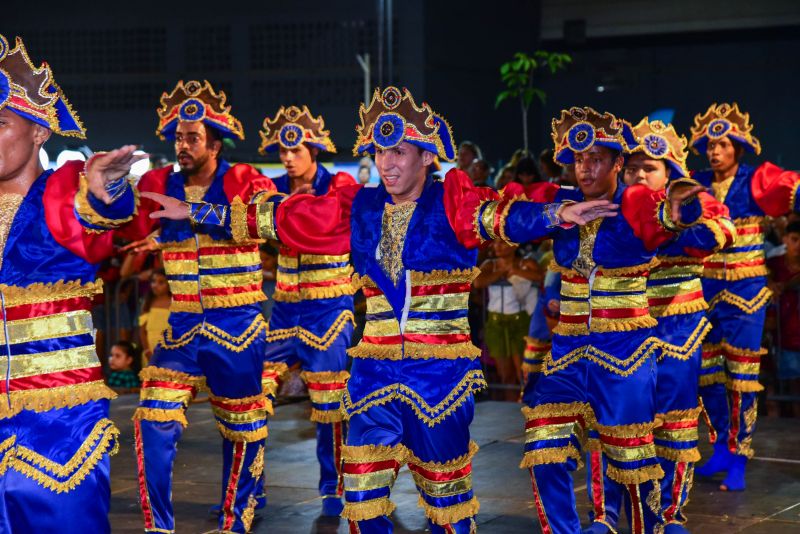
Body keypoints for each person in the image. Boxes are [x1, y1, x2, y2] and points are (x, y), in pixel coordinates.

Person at [143, 86, 617, 534]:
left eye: (398, 152)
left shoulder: (451, 200)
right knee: (363, 496)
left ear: (427, 156)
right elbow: (289, 217)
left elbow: (499, 215)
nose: (386, 164)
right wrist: (201, 212)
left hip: (440, 379)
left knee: (446, 504)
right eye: (379, 152)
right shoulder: (362, 207)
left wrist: (554, 215)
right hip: (373, 375)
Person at [518, 107, 726, 534]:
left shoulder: (637, 204)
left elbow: (671, 223)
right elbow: (515, 213)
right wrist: (556, 214)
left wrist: (683, 210)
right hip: (571, 351)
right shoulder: (566, 203)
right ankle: (600, 518)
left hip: (640, 344)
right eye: (578, 159)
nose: (585, 167)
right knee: (544, 445)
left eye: (598, 158)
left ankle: (665, 517)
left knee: (647, 445)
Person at [0, 34, 148, 533]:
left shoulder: (61, 191)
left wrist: (107, 188)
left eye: (0, 124)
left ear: (40, 132)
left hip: (57, 430)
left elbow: (94, 214)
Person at [126, 80, 276, 534]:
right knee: (153, 417)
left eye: (193, 138)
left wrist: (195, 215)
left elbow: (268, 221)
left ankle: (235, 520)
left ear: (215, 144)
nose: (183, 146)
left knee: (241, 426)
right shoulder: (159, 184)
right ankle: (159, 527)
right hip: (183, 325)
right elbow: (129, 217)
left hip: (238, 325)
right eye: (178, 138)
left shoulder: (245, 179)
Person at [582, 118, 735, 534]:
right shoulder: (611, 210)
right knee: (611, 422)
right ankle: (605, 513)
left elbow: (715, 236)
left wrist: (676, 216)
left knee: (676, 423)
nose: (638, 176)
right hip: (622, 331)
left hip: (677, 331)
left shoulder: (696, 206)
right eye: (632, 168)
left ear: (670, 174)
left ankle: (669, 514)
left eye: (649, 168)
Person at [688, 103, 800, 491]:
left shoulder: (757, 180)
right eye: (710, 145)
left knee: (741, 376)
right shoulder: (696, 182)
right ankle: (720, 444)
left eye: (722, 144)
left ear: (737, 147)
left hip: (745, 292)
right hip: (703, 291)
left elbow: (793, 192)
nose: (715, 151)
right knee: (704, 374)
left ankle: (739, 457)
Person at [256, 104, 356, 516]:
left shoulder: (341, 185)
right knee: (252, 395)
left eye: (295, 150)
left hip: (329, 308)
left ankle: (333, 487)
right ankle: (249, 485)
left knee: (330, 401)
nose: (287, 157)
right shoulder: (271, 188)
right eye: (282, 150)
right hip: (283, 311)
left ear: (313, 150)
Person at [474, 240, 542, 400]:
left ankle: (527, 409)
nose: (496, 247)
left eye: (502, 244)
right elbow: (478, 282)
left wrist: (516, 271)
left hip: (521, 321)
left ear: (515, 244)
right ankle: (510, 410)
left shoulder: (526, 262)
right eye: (495, 244)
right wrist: (504, 271)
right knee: (506, 376)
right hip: (496, 323)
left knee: (524, 373)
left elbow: (541, 276)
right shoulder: (490, 264)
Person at [768, 220, 800, 416]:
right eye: (795, 240)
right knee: (772, 390)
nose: (799, 246)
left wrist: (784, 285)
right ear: (785, 239)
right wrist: (771, 282)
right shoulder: (773, 264)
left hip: (795, 334)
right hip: (779, 336)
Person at [138, 268, 171, 366]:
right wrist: (147, 351)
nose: (155, 285)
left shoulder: (175, 303)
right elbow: (142, 331)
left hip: (169, 351)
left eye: (161, 282)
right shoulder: (148, 303)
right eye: (153, 281)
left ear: (170, 285)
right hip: (151, 351)